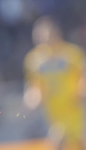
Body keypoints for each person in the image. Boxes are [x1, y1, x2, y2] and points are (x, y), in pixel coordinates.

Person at [24, 16, 86, 150]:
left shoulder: (72, 53)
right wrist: (31, 98)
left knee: (68, 141)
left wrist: (81, 91)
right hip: (53, 110)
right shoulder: (34, 59)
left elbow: (82, 75)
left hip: (72, 107)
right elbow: (34, 85)